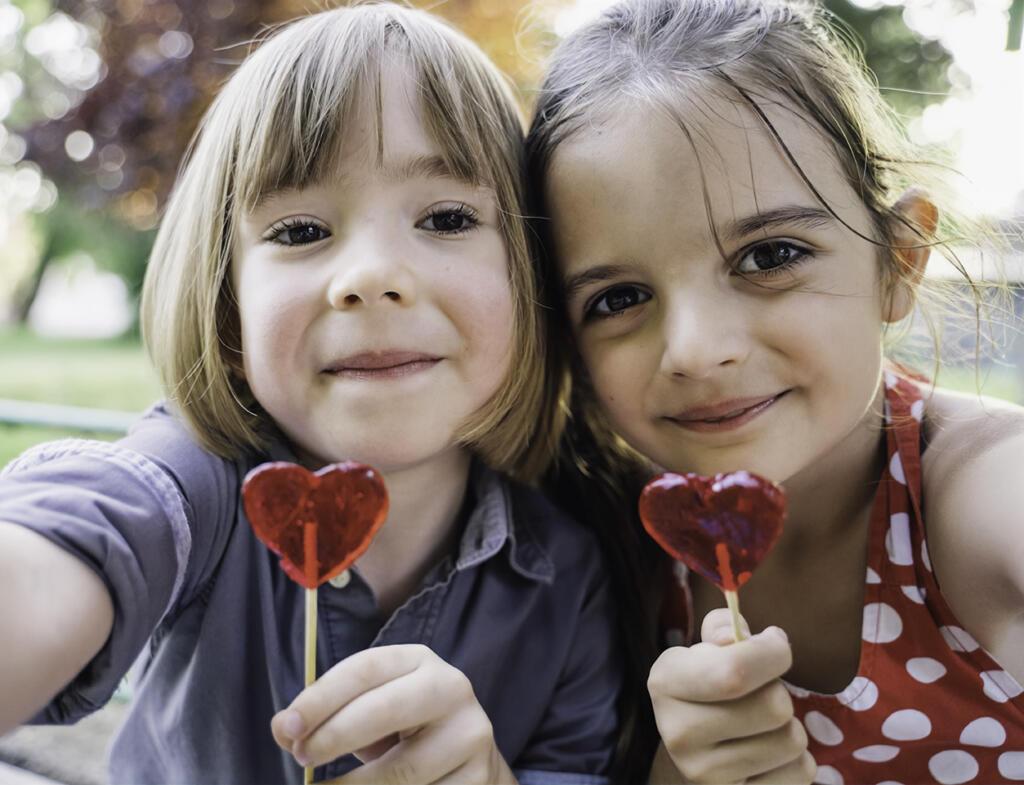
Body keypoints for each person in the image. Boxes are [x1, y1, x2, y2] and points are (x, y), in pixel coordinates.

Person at [0, 4, 625, 783]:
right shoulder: (200, 492)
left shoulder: (570, 581)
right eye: (300, 231)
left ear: (526, 277)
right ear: (229, 313)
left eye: (446, 216)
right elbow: (78, 535)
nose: (371, 276)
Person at [525, 0, 1024, 782]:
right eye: (618, 299)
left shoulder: (982, 493)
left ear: (899, 260)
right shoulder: (621, 540)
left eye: (769, 255)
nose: (696, 350)